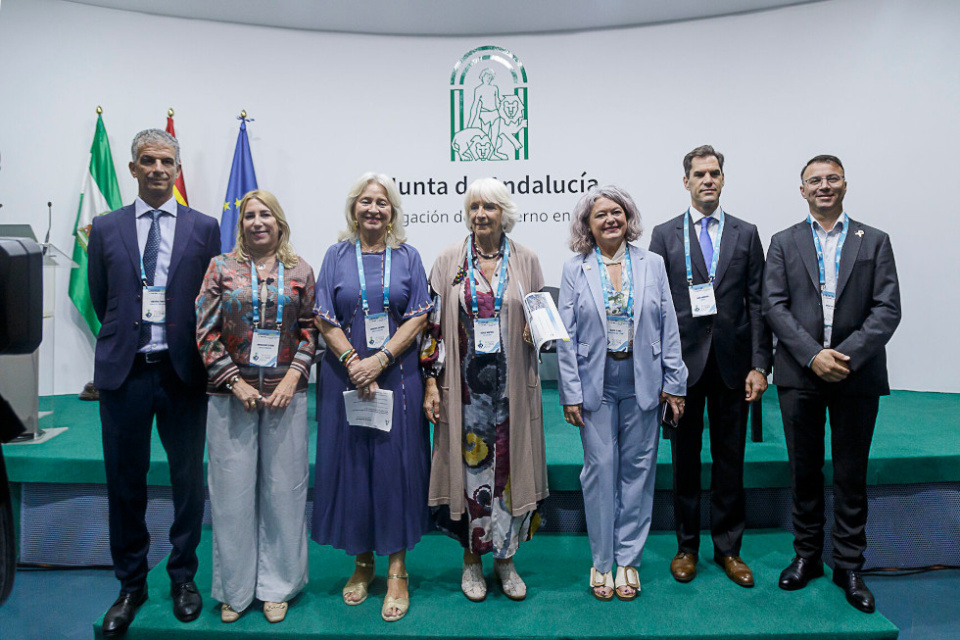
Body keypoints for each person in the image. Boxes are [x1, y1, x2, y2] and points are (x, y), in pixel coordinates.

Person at [87, 129, 220, 637]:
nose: (158, 169)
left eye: (167, 160)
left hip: (182, 371)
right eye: (148, 160)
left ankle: (183, 577)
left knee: (188, 481)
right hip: (124, 374)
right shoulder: (105, 227)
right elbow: (104, 300)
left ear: (177, 167)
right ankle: (131, 584)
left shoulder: (204, 227)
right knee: (125, 483)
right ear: (133, 168)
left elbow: (211, 296)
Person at [762, 155, 901, 613]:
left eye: (832, 178)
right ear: (802, 190)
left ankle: (849, 565)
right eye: (814, 181)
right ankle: (807, 557)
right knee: (804, 470)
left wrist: (845, 357)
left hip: (855, 376)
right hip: (800, 375)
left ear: (845, 184)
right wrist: (812, 355)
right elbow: (775, 307)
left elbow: (887, 309)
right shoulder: (783, 242)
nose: (824, 186)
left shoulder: (875, 240)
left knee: (850, 473)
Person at [648, 145, 772, 588]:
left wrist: (761, 364)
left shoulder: (746, 232)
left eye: (714, 173)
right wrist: (665, 372)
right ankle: (686, 547)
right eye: (699, 174)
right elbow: (657, 308)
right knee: (684, 461)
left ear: (723, 179)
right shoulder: (664, 235)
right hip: (682, 369)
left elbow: (758, 305)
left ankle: (728, 549)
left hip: (734, 368)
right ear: (686, 181)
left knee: (729, 460)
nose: (707, 180)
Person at [311, 173, 433, 623]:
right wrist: (352, 361)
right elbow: (324, 316)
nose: (374, 210)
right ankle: (362, 564)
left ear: (393, 212)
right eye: (366, 202)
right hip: (344, 378)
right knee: (354, 466)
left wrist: (378, 361)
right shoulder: (335, 255)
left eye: (382, 203)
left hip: (397, 379)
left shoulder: (408, 256)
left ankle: (397, 570)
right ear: (353, 209)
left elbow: (418, 317)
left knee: (395, 468)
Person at [557, 185, 687, 601]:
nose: (611, 220)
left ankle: (628, 559)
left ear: (628, 217)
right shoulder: (574, 269)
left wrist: (674, 383)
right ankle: (601, 562)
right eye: (601, 215)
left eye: (618, 213)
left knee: (638, 471)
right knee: (600, 470)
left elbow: (668, 325)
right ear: (587, 225)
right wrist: (570, 392)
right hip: (595, 383)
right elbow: (565, 337)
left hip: (642, 379)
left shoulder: (653, 264)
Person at [421, 177, 548, 603]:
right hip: (464, 395)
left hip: (510, 393)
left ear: (504, 213)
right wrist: (430, 383)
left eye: (489, 207)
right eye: (474, 207)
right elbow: (432, 329)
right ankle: (472, 561)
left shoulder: (527, 260)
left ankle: (506, 560)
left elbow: (541, 321)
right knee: (470, 474)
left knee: (510, 472)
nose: (481, 215)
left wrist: (538, 333)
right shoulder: (447, 260)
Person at [195, 190, 316, 623]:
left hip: (287, 395)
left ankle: (278, 586)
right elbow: (205, 331)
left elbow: (309, 332)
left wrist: (291, 379)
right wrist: (233, 382)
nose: (258, 221)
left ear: (280, 222)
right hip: (231, 398)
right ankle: (235, 589)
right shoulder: (219, 268)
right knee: (231, 495)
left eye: (266, 214)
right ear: (240, 223)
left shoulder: (299, 269)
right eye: (250, 215)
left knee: (285, 492)